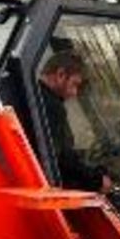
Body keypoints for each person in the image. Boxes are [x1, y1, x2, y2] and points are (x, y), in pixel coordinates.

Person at [36, 46, 94, 188]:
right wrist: (96, 179)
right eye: (74, 84)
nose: (74, 93)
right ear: (60, 74)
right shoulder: (51, 106)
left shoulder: (32, 95)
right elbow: (60, 158)